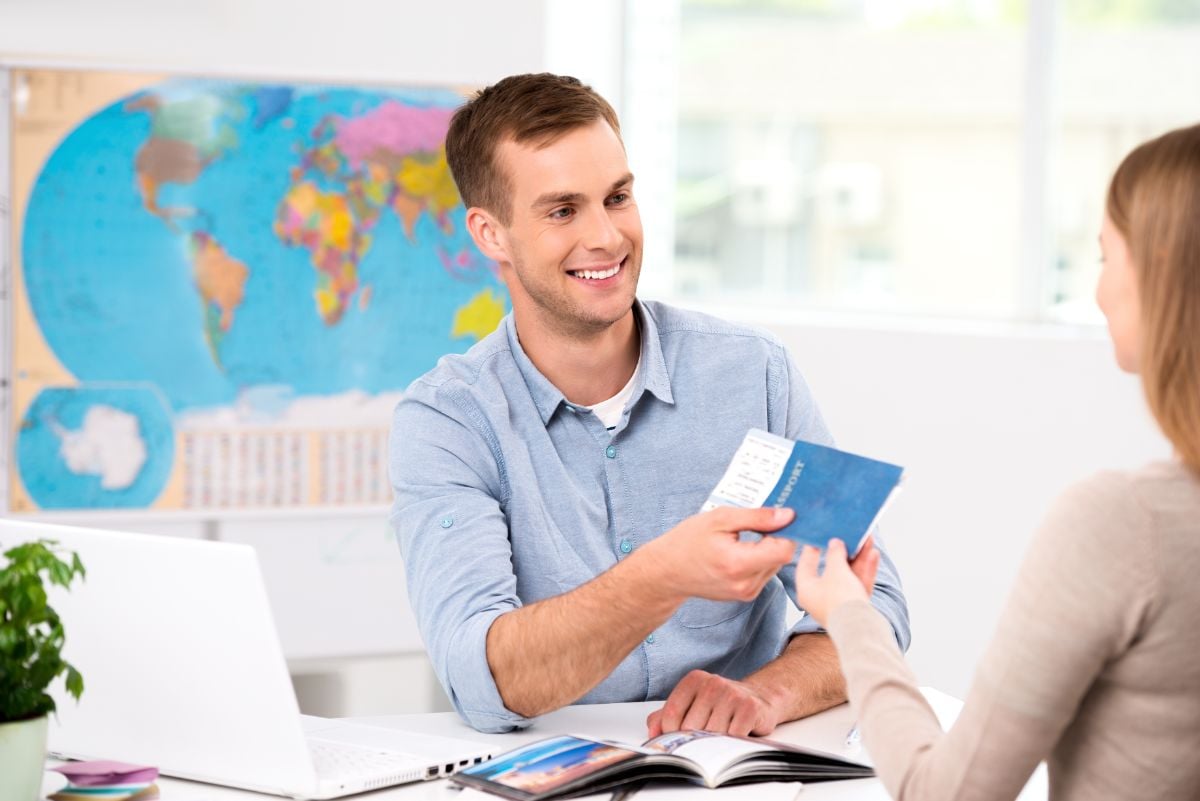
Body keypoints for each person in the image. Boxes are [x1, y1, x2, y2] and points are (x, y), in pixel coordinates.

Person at [389, 73, 909, 735]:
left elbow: (876, 605)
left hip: (731, 772)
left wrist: (768, 692)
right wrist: (663, 574)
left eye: (618, 196)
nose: (606, 236)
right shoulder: (447, 420)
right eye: (562, 210)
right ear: (491, 235)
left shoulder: (752, 372)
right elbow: (479, 680)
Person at [795, 123, 1200, 799]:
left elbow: (947, 791)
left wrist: (847, 613)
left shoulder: (1124, 522)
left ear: (1161, 272)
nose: (1099, 292)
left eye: (1106, 257)